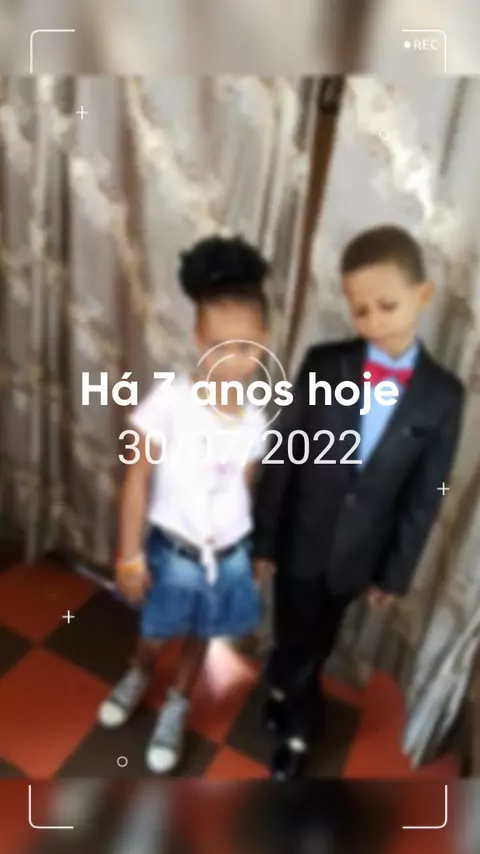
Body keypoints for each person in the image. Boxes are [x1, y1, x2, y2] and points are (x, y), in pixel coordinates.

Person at [253, 225, 465, 779]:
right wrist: (264, 538)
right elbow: (284, 451)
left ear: (423, 295)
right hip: (299, 537)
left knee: (318, 638)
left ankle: (292, 702)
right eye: (360, 310)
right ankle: (294, 711)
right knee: (292, 628)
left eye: (386, 305)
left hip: (358, 556)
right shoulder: (325, 363)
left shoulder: (443, 395)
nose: (373, 321)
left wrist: (395, 574)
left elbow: (429, 492)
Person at [97, 235, 270, 774]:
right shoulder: (170, 400)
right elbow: (137, 479)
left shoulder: (256, 419)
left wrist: (252, 550)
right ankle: (138, 673)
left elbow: (243, 489)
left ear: (263, 343)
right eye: (219, 346)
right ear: (197, 337)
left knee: (202, 633)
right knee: (155, 630)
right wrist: (130, 554)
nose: (232, 362)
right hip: (171, 553)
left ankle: (178, 702)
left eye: (246, 348)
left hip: (226, 557)